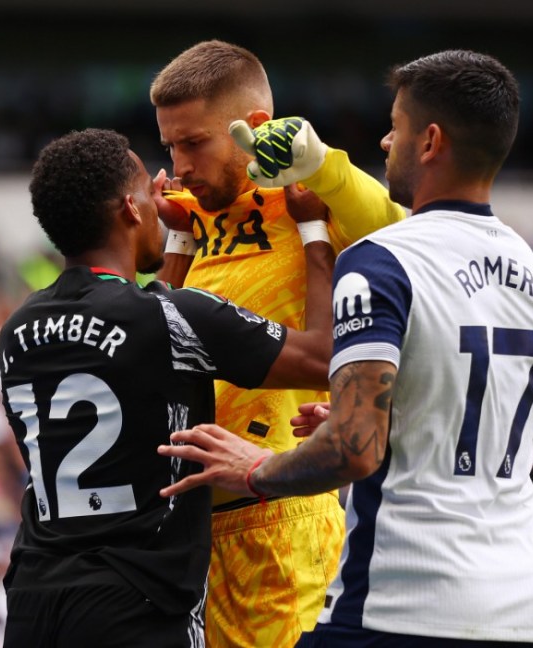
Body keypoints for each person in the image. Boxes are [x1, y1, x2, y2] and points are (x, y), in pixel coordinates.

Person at [159, 49, 533, 647]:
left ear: (430, 141)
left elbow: (353, 449)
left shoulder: (371, 249)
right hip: (527, 601)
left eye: (395, 128)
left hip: (391, 589)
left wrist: (323, 169)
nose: (382, 143)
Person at [0, 127, 336, 647]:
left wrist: (177, 239)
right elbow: (320, 358)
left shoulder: (17, 328)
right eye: (147, 196)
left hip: (33, 602)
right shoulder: (173, 316)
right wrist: (314, 228)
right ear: (130, 210)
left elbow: (151, 343)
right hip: (136, 605)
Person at [149, 38, 407, 647]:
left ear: (253, 127)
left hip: (278, 514)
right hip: (186, 522)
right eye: (170, 147)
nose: (180, 165)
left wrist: (322, 169)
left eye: (194, 144)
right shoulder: (191, 215)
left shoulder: (308, 202)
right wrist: (177, 241)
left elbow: (401, 227)